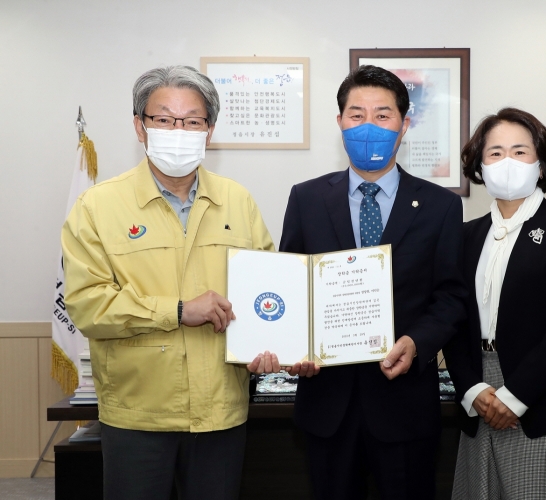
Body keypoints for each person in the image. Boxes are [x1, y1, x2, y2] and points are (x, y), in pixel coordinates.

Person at [61, 65, 278, 500]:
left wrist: (272, 344)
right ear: (140, 127)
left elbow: (266, 290)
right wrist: (178, 310)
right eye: (163, 119)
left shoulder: (237, 200)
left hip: (220, 411)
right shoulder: (97, 206)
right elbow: (87, 305)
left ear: (209, 130)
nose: (178, 130)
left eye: (192, 120)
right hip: (139, 415)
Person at [279, 65, 467, 499]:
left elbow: (451, 295)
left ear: (404, 124)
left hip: (403, 403)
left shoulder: (440, 205)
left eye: (383, 115)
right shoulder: (305, 198)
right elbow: (291, 285)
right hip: (327, 402)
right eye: (356, 113)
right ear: (340, 122)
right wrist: (295, 347)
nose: (368, 125)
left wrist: (418, 342)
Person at [443, 107, 546, 499]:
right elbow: (452, 315)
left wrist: (515, 398)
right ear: (480, 165)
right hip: (478, 392)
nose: (507, 162)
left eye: (519, 151)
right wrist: (471, 390)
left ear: (541, 161)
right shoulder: (466, 235)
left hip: (541, 395)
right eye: (495, 153)